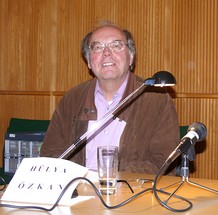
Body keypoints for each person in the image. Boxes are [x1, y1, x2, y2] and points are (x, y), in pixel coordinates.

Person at [40, 21, 180, 175]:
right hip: (77, 192)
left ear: (130, 57)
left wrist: (113, 177)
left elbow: (165, 162)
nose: (106, 52)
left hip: (131, 194)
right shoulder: (72, 98)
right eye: (98, 47)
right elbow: (50, 155)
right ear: (89, 61)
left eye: (116, 45)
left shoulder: (155, 99)